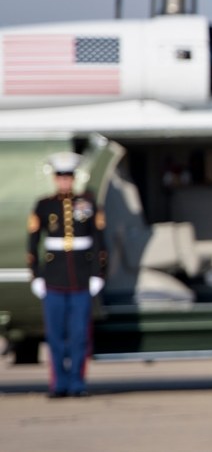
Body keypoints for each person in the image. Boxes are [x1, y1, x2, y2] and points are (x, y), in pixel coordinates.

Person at [26, 151, 107, 398]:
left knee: (79, 335)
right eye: (60, 177)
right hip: (53, 278)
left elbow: (99, 241)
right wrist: (36, 274)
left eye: (68, 177)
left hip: (81, 278)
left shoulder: (88, 204)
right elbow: (33, 242)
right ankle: (58, 384)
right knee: (55, 336)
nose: (64, 181)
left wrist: (98, 273)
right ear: (55, 179)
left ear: (73, 178)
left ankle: (77, 383)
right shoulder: (44, 205)